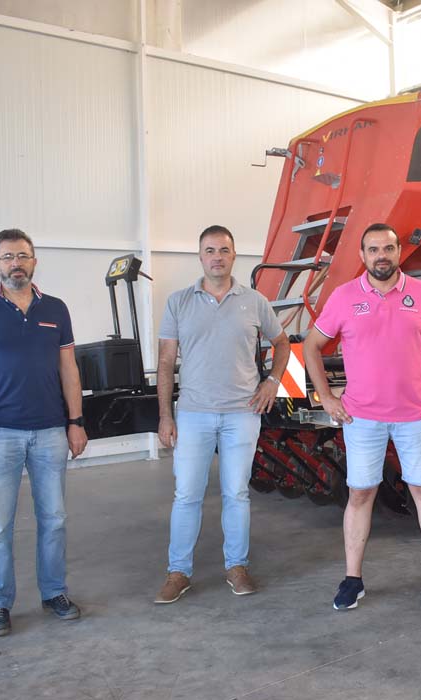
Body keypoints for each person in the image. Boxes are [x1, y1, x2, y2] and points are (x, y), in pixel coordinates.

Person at [302, 223, 421, 611]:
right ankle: (352, 579)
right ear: (362, 256)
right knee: (360, 494)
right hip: (362, 419)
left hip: (416, 416)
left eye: (389, 248)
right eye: (373, 249)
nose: (382, 255)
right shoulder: (344, 298)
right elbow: (311, 346)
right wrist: (325, 396)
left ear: (398, 253)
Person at [0, 228, 88, 637]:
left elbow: (69, 369)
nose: (16, 263)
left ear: (34, 261)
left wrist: (76, 421)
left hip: (49, 431)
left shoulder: (57, 309)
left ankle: (53, 593)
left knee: (55, 519)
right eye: (8, 257)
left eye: (23, 256)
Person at [154, 225, 290, 604]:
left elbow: (282, 344)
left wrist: (272, 381)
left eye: (224, 250)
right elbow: (166, 362)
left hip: (242, 414)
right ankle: (178, 572)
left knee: (237, 493)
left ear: (234, 255)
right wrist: (165, 416)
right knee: (187, 496)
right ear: (200, 257)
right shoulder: (178, 302)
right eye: (210, 250)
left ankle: (237, 567)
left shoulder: (255, 301)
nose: (217, 256)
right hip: (194, 414)